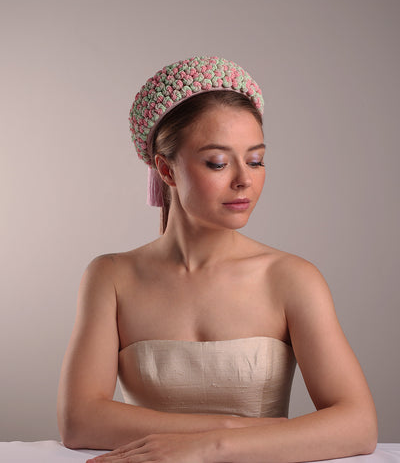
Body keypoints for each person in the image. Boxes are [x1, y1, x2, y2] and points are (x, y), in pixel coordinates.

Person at [57, 56, 377, 463]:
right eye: (218, 162)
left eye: (256, 160)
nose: (244, 178)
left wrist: (213, 445)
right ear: (166, 170)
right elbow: (79, 421)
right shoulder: (112, 277)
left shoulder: (292, 278)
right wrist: (236, 426)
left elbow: (359, 425)